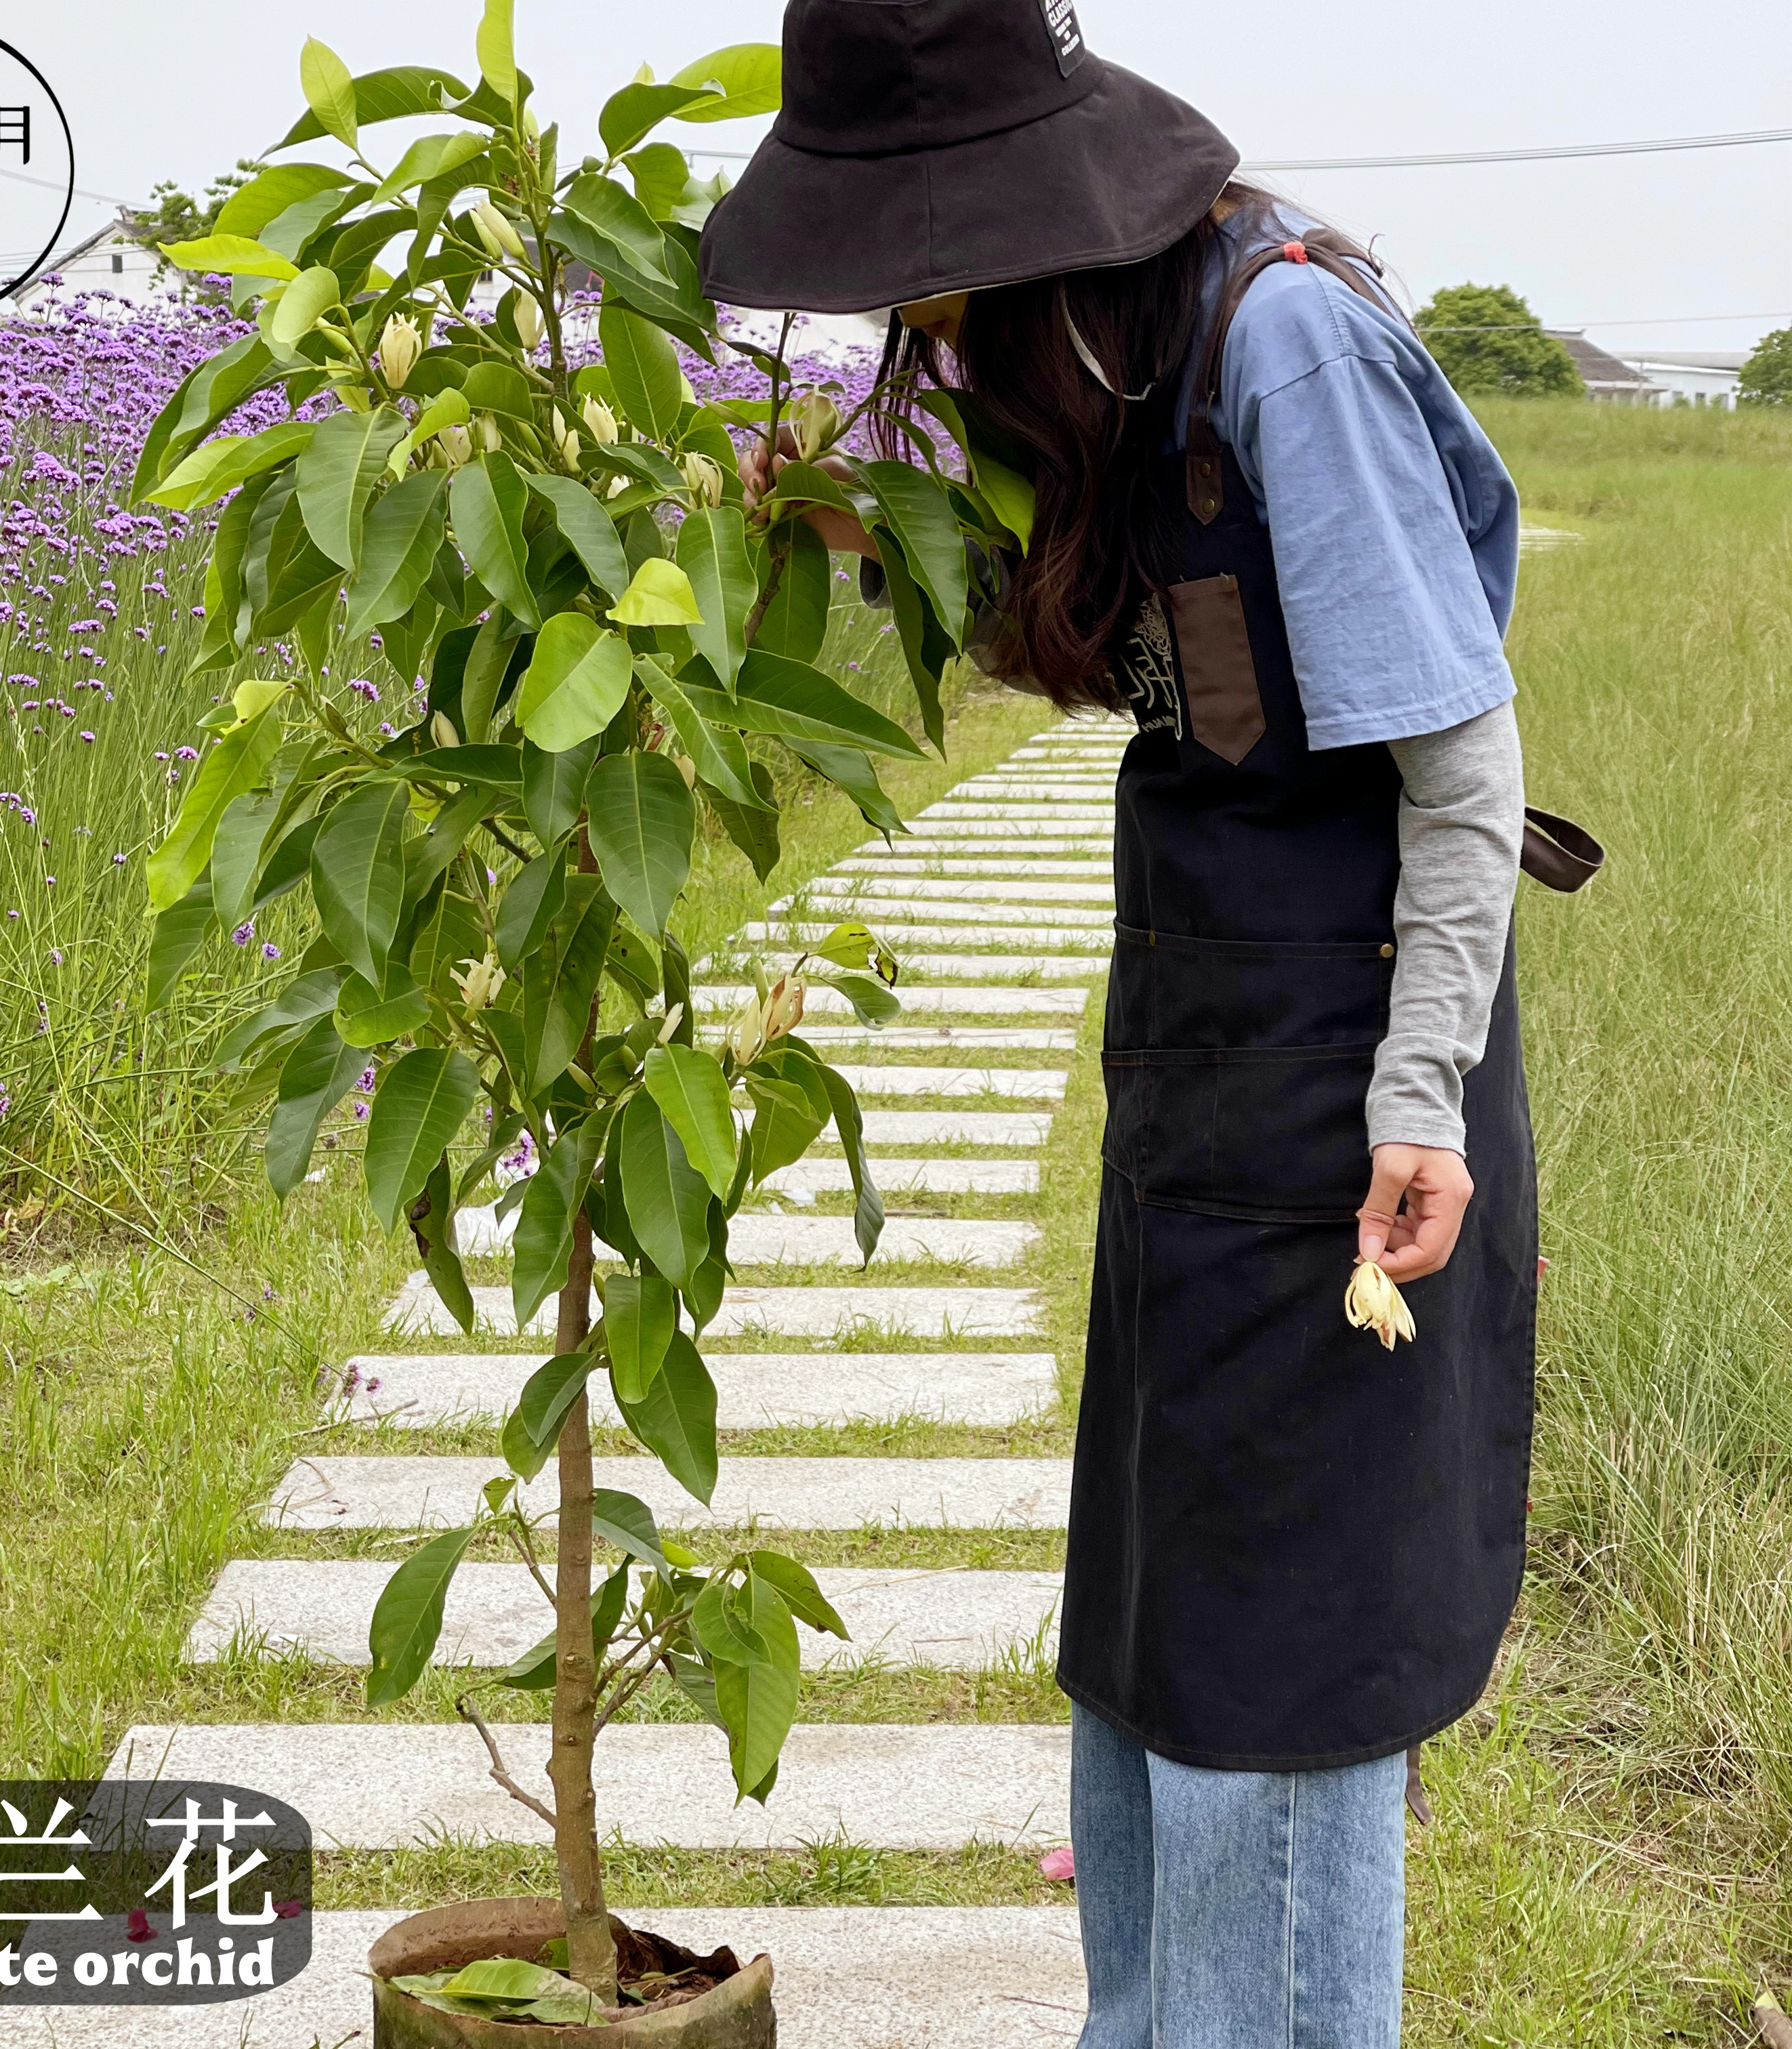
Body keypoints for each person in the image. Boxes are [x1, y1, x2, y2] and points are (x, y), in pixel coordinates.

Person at [702, 3, 1597, 2042]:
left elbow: (1460, 775)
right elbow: (1187, 663)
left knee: (1276, 1675)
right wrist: (834, 517)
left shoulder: (1273, 339)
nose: (901, 307)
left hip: (1351, 1079)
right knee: (1156, 1635)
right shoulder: (1090, 355)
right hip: (1204, 1067)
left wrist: (1420, 1101)